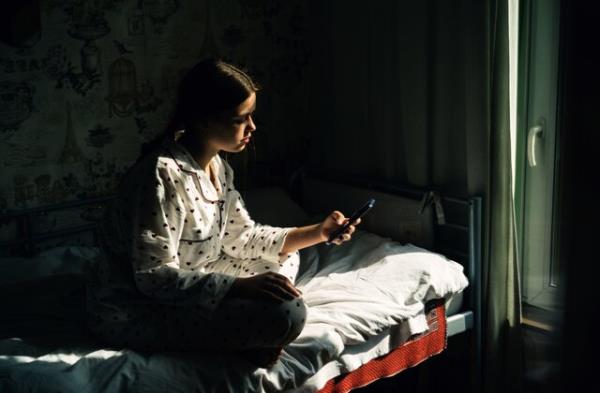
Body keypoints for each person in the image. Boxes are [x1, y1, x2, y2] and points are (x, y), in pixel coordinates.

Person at [85, 58, 361, 368]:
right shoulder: (160, 175)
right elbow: (152, 277)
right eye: (240, 119)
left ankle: (253, 334)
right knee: (289, 314)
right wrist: (239, 287)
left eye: (251, 116)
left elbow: (242, 237)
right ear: (202, 119)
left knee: (286, 256)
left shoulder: (217, 166)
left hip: (200, 277)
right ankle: (251, 339)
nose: (252, 127)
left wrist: (319, 232)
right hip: (139, 307)